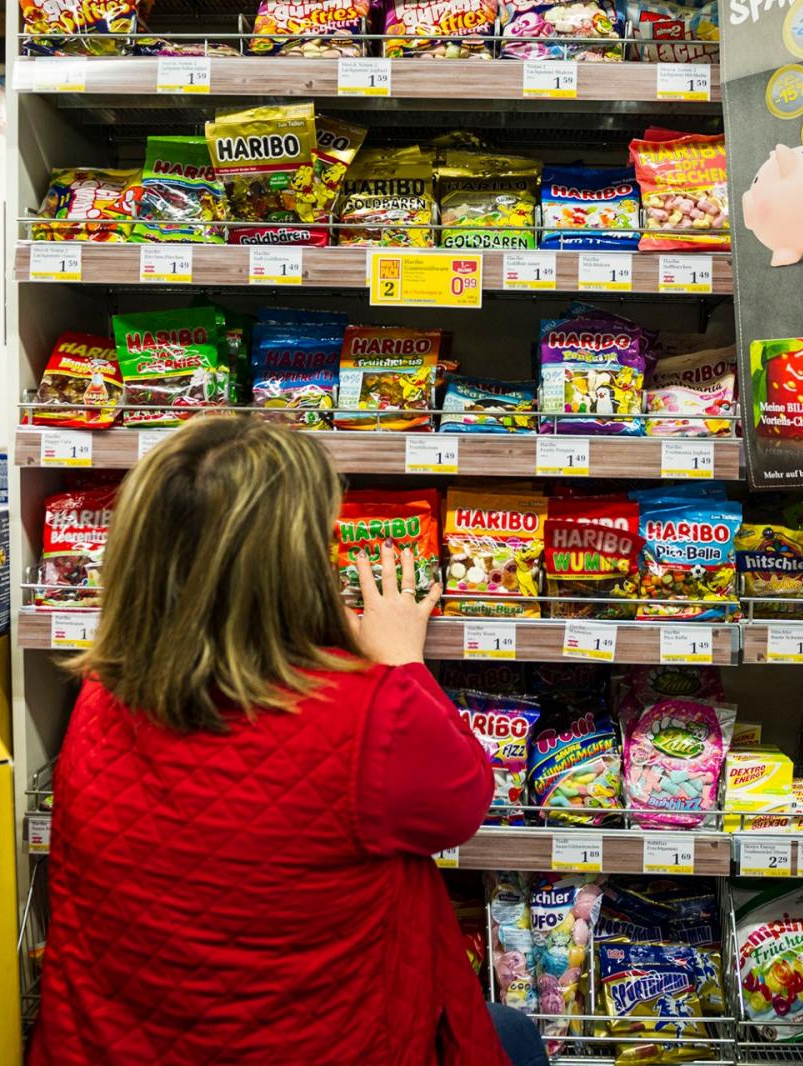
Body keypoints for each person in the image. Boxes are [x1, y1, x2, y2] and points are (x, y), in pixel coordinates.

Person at [29, 417, 546, 1066]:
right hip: (318, 1045)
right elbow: (464, 802)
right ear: (293, 565)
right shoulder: (368, 714)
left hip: (115, 1044)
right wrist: (399, 661)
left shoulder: (102, 692)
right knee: (515, 1034)